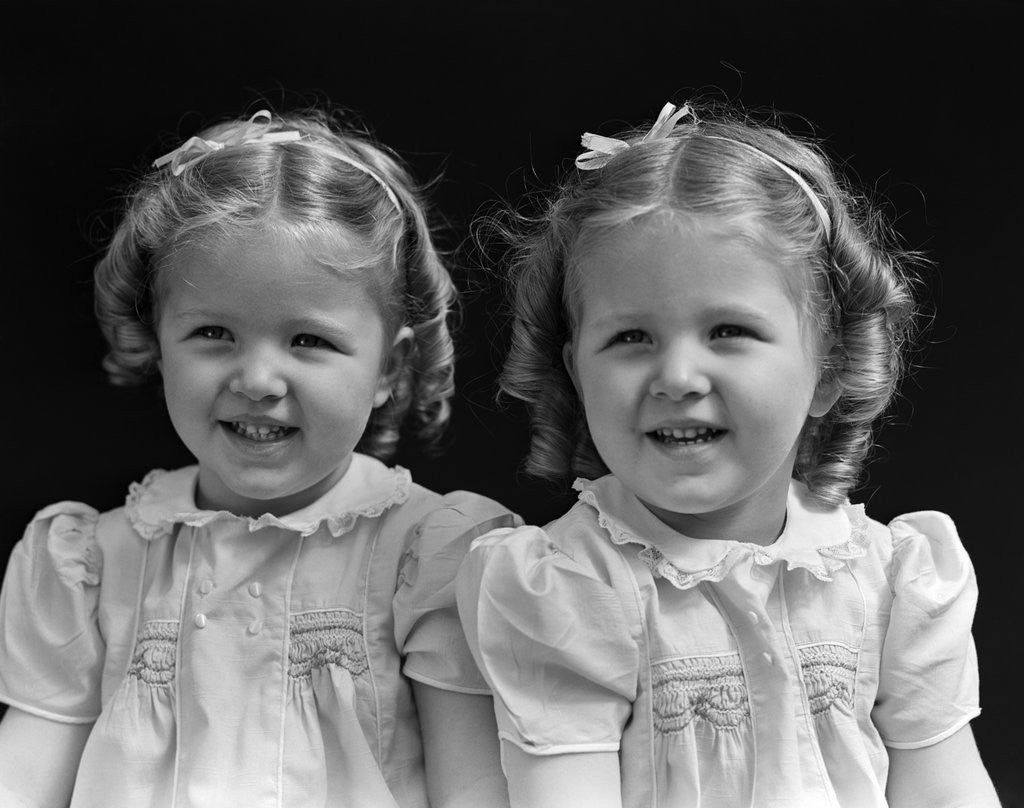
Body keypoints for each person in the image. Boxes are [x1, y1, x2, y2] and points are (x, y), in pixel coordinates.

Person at [456, 100, 1001, 807]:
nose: (678, 376)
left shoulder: (893, 580)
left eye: (728, 330)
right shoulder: (570, 588)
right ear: (575, 370)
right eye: (630, 338)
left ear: (830, 368)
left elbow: (947, 791)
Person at [0, 107, 517, 808]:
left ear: (391, 368)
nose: (257, 381)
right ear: (158, 341)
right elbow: (25, 774)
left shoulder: (425, 558)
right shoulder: (93, 566)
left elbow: (474, 789)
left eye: (309, 341)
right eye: (214, 333)